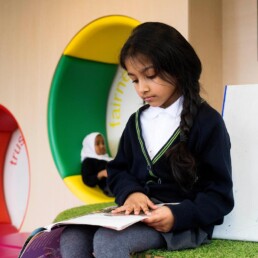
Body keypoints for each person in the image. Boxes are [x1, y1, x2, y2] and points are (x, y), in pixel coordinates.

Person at [60, 22, 234, 258]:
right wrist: (131, 193)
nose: (142, 88)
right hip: (138, 214)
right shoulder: (135, 122)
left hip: (182, 222)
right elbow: (118, 170)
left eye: (150, 76)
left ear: (179, 68)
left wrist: (177, 216)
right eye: (134, 80)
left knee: (109, 242)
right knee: (72, 237)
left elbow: (219, 196)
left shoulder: (207, 122)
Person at [81, 132, 113, 197]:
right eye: (97, 144)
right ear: (90, 146)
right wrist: (101, 174)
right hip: (110, 186)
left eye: (103, 143)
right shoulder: (88, 161)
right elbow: (87, 180)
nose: (102, 146)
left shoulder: (109, 159)